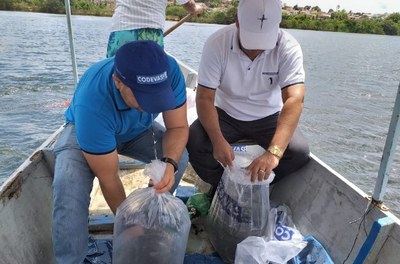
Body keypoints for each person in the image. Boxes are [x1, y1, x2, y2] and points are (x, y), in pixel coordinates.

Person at [52, 40, 189, 263]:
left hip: (136, 129)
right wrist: (127, 223)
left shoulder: (169, 70)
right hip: (87, 131)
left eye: (158, 97)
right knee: (68, 185)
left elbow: (178, 127)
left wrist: (169, 164)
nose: (154, 106)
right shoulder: (92, 102)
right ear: (118, 82)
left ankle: (151, 218)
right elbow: (109, 179)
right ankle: (70, 259)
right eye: (145, 97)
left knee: (180, 156)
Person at [187, 0, 310, 197]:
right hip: (225, 113)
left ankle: (257, 187)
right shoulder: (217, 43)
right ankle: (223, 188)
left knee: (299, 152)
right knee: (194, 141)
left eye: (264, 41)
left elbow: (294, 100)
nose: (257, 49)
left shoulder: (289, 47)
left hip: (268, 116)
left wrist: (273, 154)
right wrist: (218, 140)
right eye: (251, 40)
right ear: (237, 21)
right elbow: (204, 97)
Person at [107, 0, 203, 57]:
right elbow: (188, 4)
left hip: (121, 28)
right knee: (150, 74)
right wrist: (196, 8)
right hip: (151, 31)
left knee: (113, 71)